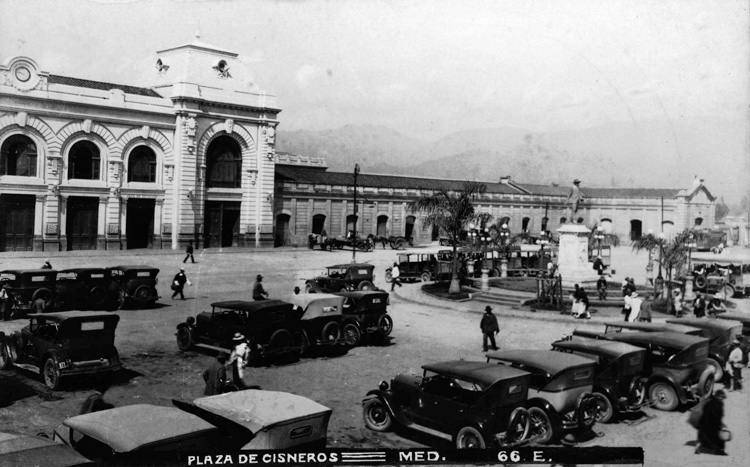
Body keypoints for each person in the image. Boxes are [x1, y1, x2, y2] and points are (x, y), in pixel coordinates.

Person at [695, 389, 727, 455]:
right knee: (719, 438)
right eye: (721, 397)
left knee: (702, 437)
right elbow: (716, 417)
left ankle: (698, 447)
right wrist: (720, 424)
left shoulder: (711, 401)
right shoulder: (718, 405)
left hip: (703, 423)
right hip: (710, 424)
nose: (722, 399)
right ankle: (719, 451)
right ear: (717, 396)